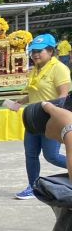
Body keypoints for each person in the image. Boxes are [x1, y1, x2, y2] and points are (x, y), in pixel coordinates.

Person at [6, 34, 70, 199]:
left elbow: (64, 97)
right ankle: (33, 187)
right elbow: (34, 92)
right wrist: (19, 102)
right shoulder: (36, 69)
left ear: (50, 51)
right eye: (33, 51)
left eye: (39, 51)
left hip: (50, 120)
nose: (35, 54)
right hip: (33, 119)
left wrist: (50, 111)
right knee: (31, 154)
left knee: (52, 156)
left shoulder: (59, 69)